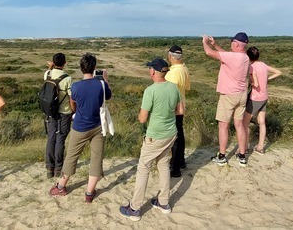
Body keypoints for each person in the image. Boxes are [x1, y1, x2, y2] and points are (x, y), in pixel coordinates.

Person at [119, 58, 183, 222]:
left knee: (143, 168)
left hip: (155, 135)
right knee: (163, 165)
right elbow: (180, 110)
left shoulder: (150, 91)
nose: (149, 71)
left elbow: (142, 118)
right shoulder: (173, 88)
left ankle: (135, 208)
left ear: (154, 71)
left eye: (150, 69)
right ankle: (163, 202)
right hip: (170, 133)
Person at [49, 53, 111, 203]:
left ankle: (61, 186)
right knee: (96, 159)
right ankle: (89, 193)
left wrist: (77, 111)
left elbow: (73, 104)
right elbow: (107, 96)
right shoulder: (100, 85)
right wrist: (106, 80)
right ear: (94, 67)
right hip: (98, 126)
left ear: (81, 68)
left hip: (80, 126)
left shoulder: (76, 86)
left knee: (71, 157)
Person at [202, 32, 251, 167]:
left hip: (229, 95)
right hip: (241, 95)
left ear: (235, 44)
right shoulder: (245, 57)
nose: (231, 45)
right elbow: (226, 56)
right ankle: (242, 156)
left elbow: (208, 52)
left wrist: (205, 41)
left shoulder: (233, 57)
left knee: (223, 125)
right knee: (239, 125)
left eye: (232, 42)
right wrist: (216, 45)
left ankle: (222, 156)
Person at [243, 46, 282, 154]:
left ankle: (244, 147)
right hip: (264, 97)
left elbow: (255, 84)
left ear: (248, 56)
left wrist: (251, 81)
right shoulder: (263, 65)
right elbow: (279, 72)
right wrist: (266, 79)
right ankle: (260, 147)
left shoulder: (252, 67)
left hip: (255, 98)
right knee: (262, 122)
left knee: (244, 123)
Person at [43, 53, 73, 179]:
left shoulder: (47, 74)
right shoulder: (67, 78)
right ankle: (58, 168)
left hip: (50, 112)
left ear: (53, 63)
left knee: (51, 138)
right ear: (64, 63)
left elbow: (48, 75)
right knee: (60, 138)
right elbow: (72, 98)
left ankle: (50, 167)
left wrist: (50, 67)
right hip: (64, 112)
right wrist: (74, 111)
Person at [165, 45, 191, 178]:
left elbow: (169, 94)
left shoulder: (172, 73)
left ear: (170, 56)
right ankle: (181, 161)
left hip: (173, 109)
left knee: (174, 137)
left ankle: (174, 168)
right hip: (182, 106)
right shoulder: (184, 69)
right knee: (180, 134)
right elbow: (186, 88)